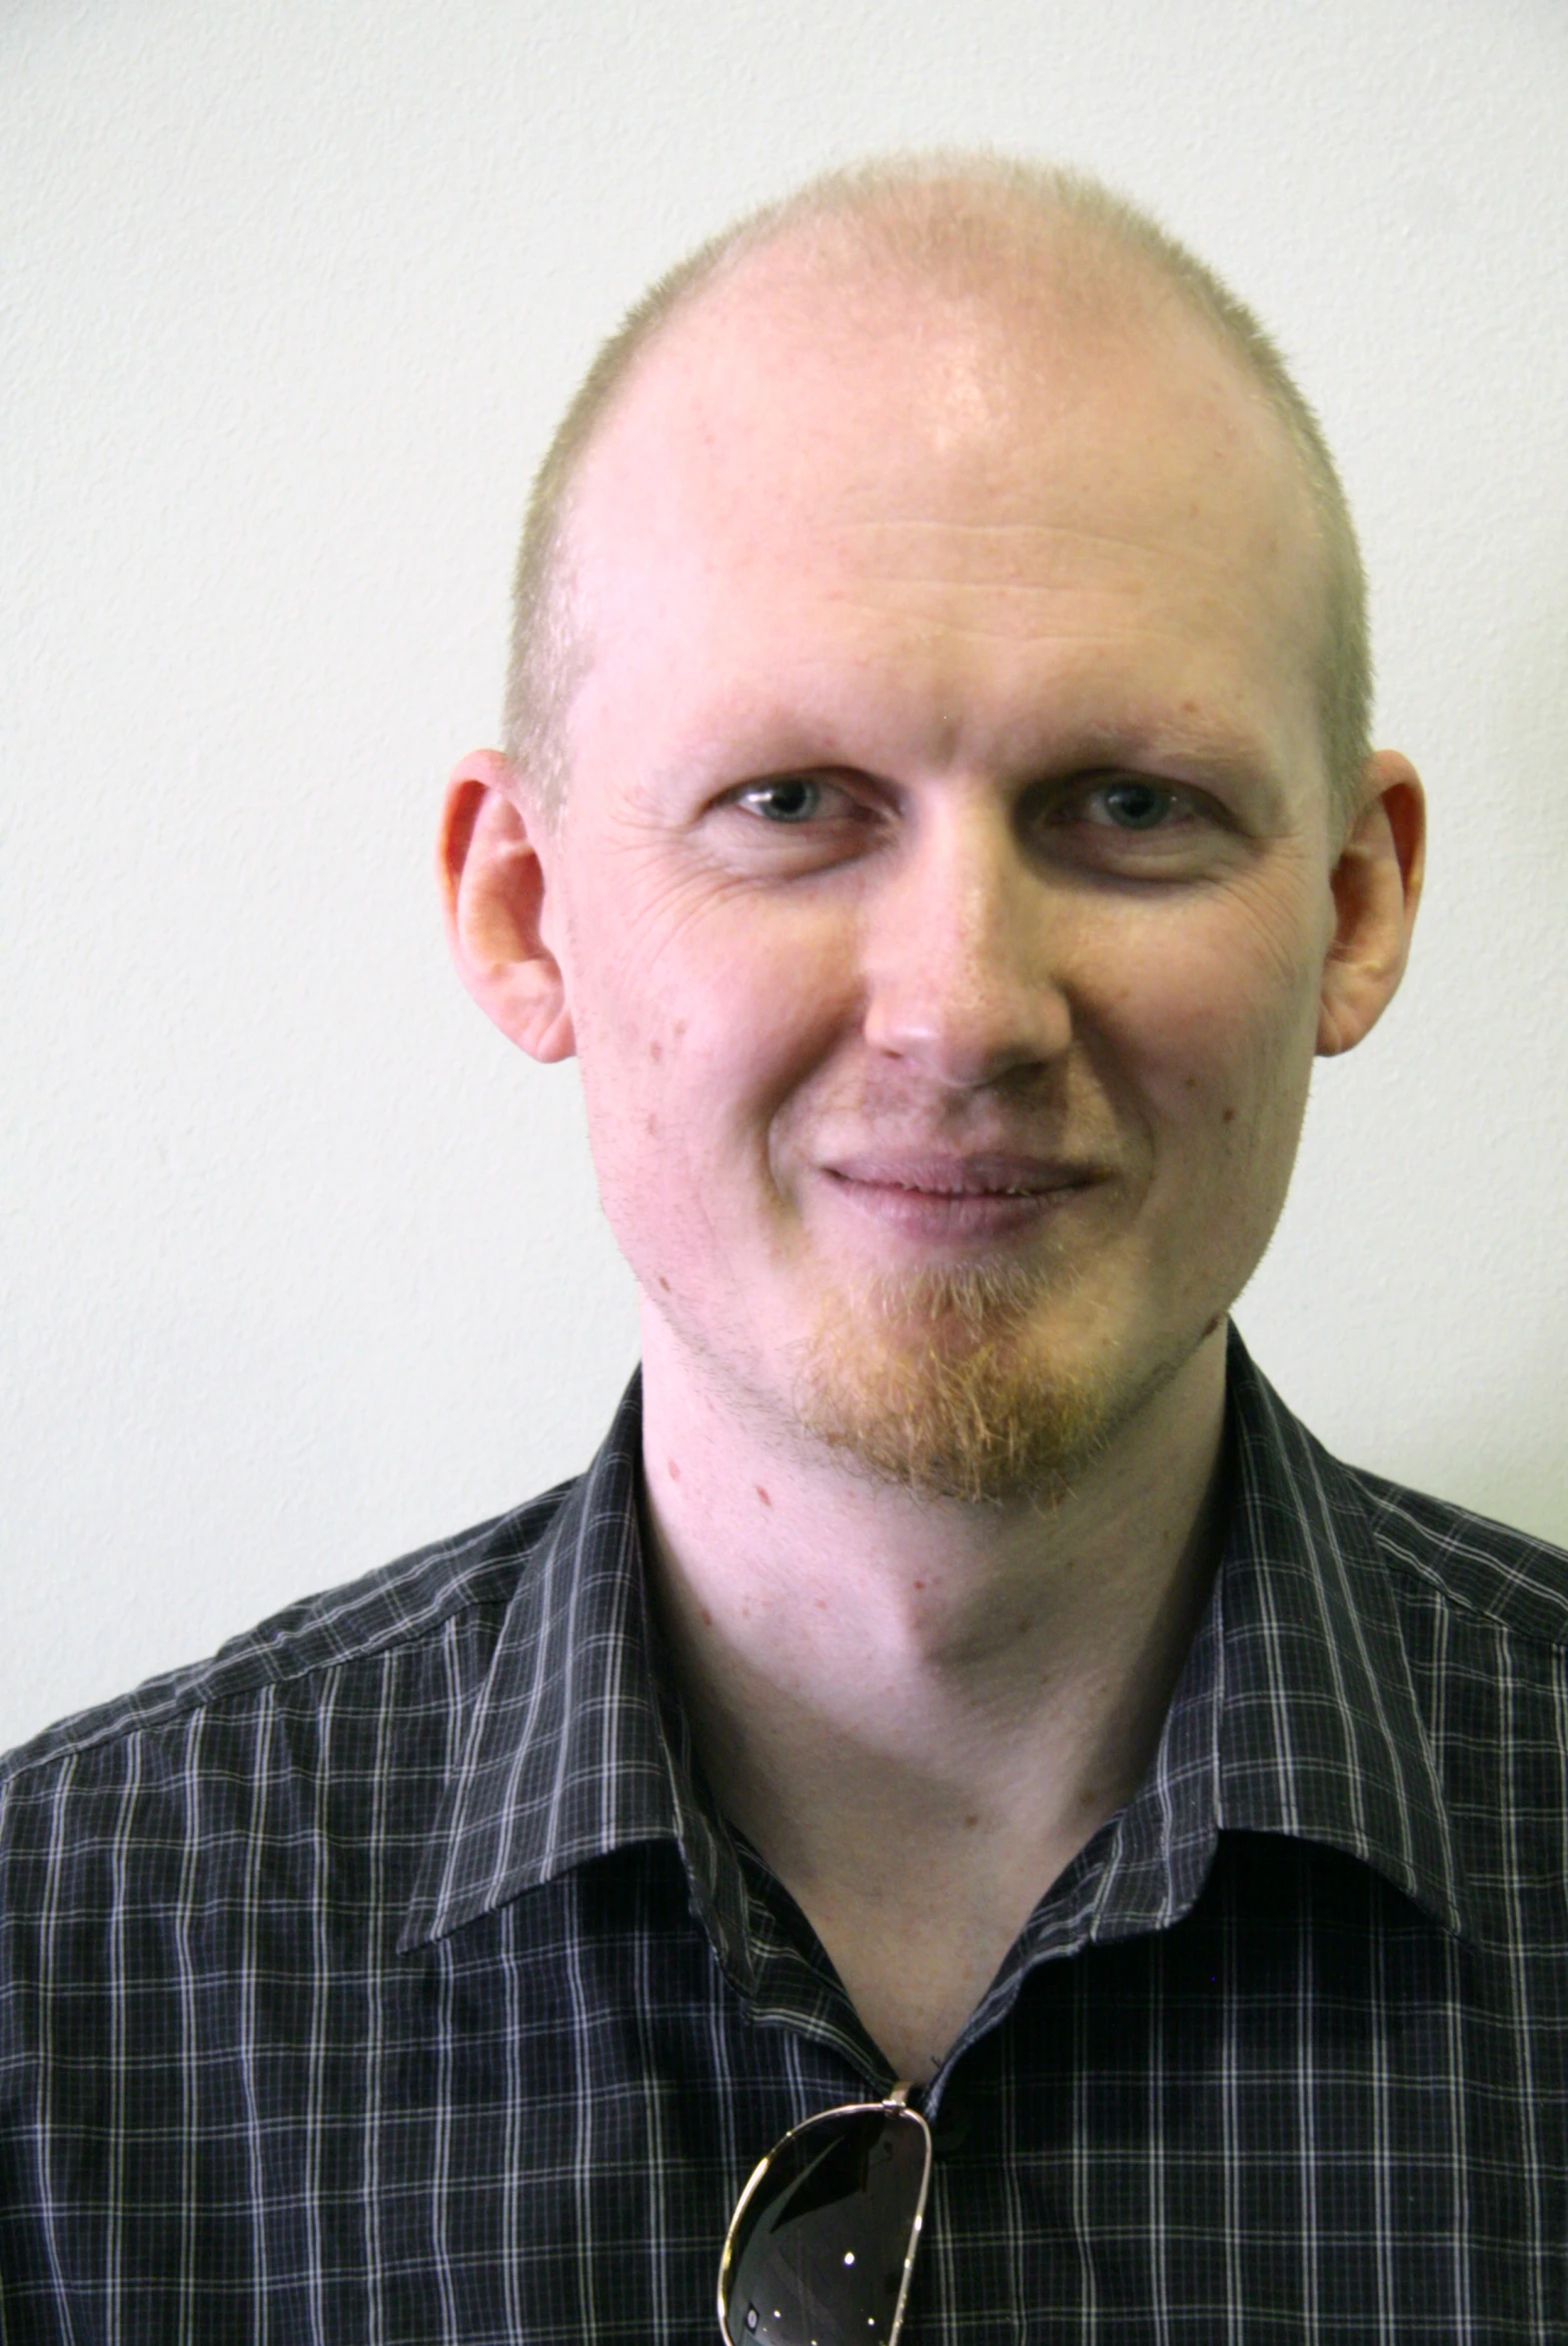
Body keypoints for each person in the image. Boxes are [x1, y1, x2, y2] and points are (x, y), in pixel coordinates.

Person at [1, 152, 1563, 2343]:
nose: (963, 1010)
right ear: (523, 909)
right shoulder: (57, 1999)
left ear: (1354, 902)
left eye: (1126, 805)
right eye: (789, 804)